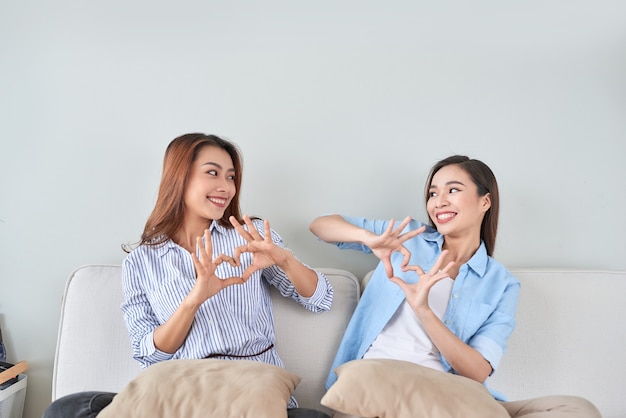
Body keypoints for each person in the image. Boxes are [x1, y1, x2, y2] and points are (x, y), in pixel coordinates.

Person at [42, 133, 334, 418]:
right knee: (67, 409)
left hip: (249, 388)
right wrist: (194, 300)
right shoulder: (141, 262)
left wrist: (285, 260)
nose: (226, 187)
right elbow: (149, 353)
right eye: (213, 173)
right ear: (180, 178)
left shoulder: (249, 237)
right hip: (180, 389)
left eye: (231, 177)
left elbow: (321, 300)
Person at [309, 155, 601, 418]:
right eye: (433, 193)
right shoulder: (409, 236)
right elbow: (321, 226)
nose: (439, 201)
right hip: (377, 382)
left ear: (485, 201)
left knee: (577, 409)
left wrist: (423, 311)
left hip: (448, 394)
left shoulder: (500, 283)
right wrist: (367, 237)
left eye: (453, 190)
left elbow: (476, 371)